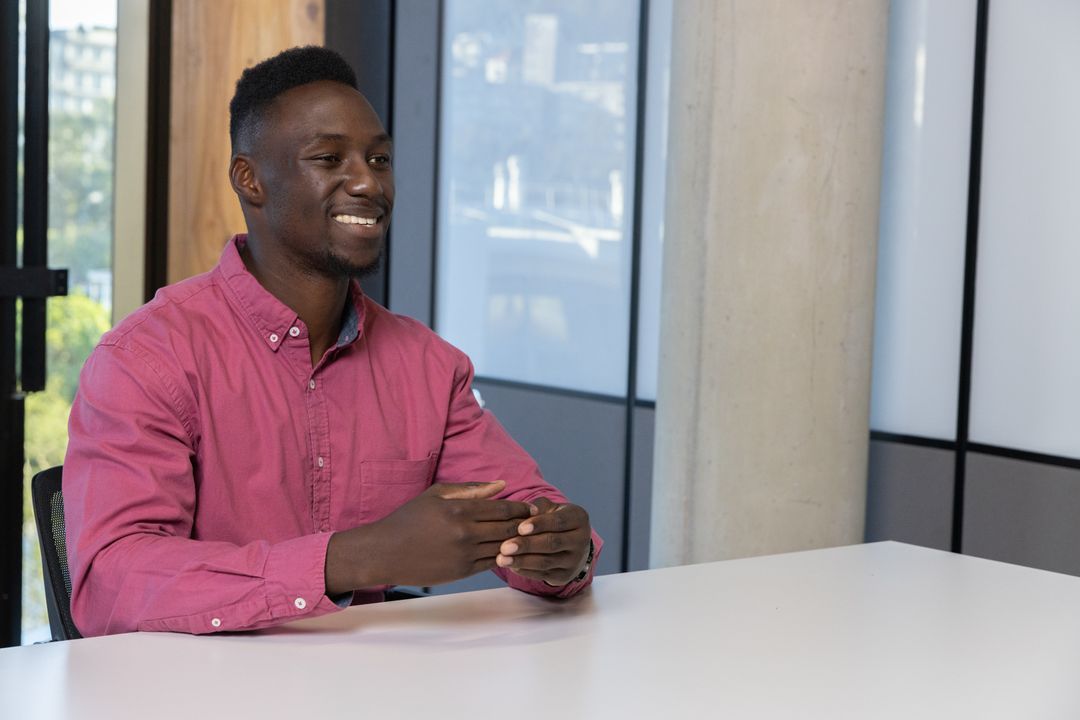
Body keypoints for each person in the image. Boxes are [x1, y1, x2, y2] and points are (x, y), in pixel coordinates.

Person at [64, 46, 599, 636]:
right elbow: (113, 583)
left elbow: (526, 506)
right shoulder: (146, 360)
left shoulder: (428, 366)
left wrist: (560, 553)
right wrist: (357, 557)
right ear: (250, 179)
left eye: (380, 158)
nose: (369, 182)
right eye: (328, 157)